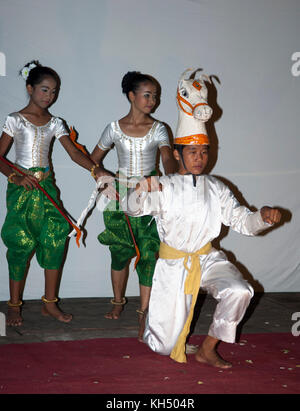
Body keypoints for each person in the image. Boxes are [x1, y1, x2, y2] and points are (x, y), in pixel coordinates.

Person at [125, 134, 281, 368]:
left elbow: (242, 221)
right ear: (177, 154)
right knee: (163, 347)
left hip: (207, 258)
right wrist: (139, 190)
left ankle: (207, 349)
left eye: (204, 152)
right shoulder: (164, 186)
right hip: (173, 264)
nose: (200, 158)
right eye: (193, 152)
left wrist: (263, 216)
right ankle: (155, 319)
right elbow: (131, 209)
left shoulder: (216, 187)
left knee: (240, 291)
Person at [0, 60, 102, 327]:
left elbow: (74, 153)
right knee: (20, 241)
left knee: (56, 236)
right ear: (30, 88)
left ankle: (50, 303)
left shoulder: (56, 123)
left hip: (46, 190)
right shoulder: (15, 119)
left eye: (54, 91)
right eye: (44, 90)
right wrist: (16, 176)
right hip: (22, 191)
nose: (49, 96)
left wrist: (95, 170)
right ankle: (13, 305)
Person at [90, 71, 176, 340]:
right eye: (147, 95)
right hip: (120, 197)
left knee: (149, 253)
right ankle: (117, 301)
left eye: (155, 96)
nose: (153, 100)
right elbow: (94, 160)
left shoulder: (160, 128)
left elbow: (167, 160)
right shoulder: (114, 128)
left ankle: (144, 313)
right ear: (131, 96)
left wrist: (171, 175)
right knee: (119, 251)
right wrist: (103, 179)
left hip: (150, 196)